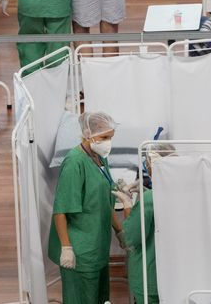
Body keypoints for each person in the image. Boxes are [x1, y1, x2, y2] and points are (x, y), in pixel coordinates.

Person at [48, 112, 124, 304]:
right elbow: (60, 210)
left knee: (99, 298)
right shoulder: (74, 163)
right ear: (88, 134)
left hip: (98, 248)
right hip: (80, 251)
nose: (108, 143)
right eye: (104, 137)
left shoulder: (100, 158)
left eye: (110, 137)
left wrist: (119, 231)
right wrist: (66, 247)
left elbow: (105, 201)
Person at [115, 142, 175, 304]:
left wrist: (128, 205)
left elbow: (130, 238)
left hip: (151, 279)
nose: (147, 168)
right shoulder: (186, 193)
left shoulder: (149, 200)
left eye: (147, 165)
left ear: (153, 166)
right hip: (176, 277)